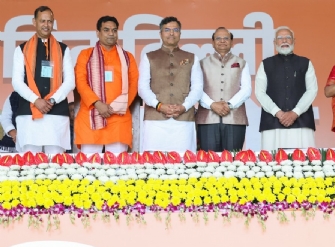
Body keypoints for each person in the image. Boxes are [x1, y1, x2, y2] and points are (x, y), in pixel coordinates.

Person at [11, 6, 75, 154]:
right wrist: (36, 100)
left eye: (50, 21)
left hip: (56, 113)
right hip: (29, 114)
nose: (46, 25)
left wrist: (52, 100)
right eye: (42, 21)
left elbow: (70, 81)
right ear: (34, 22)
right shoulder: (21, 49)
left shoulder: (63, 49)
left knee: (56, 163)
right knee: (30, 162)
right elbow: (17, 82)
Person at [74, 16, 139, 154]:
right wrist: (97, 104)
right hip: (91, 116)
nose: (111, 33)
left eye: (114, 30)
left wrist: (118, 106)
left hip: (118, 118)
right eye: (106, 30)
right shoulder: (85, 55)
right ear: (98, 32)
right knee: (89, 167)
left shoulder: (128, 57)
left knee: (117, 167)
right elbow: (80, 82)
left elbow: (134, 84)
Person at [138, 16, 203, 152]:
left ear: (180, 33)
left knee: (184, 163)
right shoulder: (149, 57)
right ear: (160, 33)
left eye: (175, 30)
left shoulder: (192, 57)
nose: (171, 33)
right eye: (167, 30)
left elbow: (197, 88)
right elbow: (143, 88)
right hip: (154, 119)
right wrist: (159, 105)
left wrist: (184, 107)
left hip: (184, 118)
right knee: (153, 163)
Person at [255, 26, 318, 150]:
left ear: (294, 41)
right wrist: (278, 113)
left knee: (306, 164)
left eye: (288, 37)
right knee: (271, 165)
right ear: (274, 43)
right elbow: (259, 92)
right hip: (272, 123)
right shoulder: (266, 64)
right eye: (280, 38)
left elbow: (312, 90)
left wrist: (295, 113)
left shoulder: (305, 63)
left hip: (302, 122)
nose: (284, 40)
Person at [197, 27, 251, 152]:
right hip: (207, 119)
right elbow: (196, 89)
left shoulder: (242, 63)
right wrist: (212, 104)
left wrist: (229, 105)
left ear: (232, 42)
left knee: (233, 160)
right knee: (209, 161)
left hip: (235, 119)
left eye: (226, 38)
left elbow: (246, 89)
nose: (222, 41)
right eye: (218, 38)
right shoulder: (201, 63)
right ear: (213, 42)